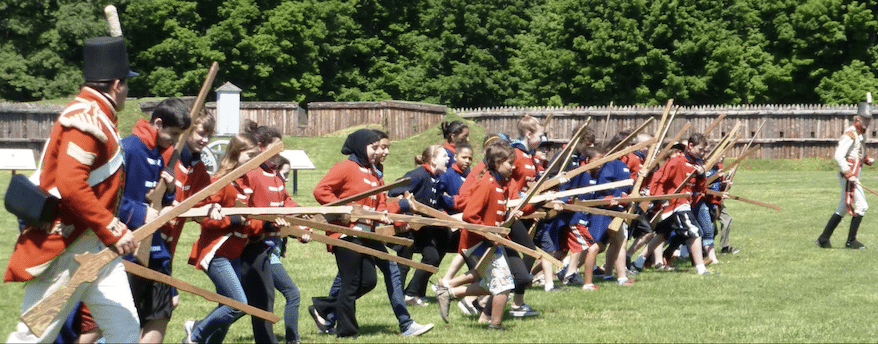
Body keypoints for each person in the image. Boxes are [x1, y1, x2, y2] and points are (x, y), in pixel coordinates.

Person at [6, 36, 140, 343]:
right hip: (68, 245)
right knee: (33, 336)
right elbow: (70, 184)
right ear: (117, 85)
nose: (128, 92)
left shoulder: (100, 116)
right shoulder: (85, 121)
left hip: (96, 247)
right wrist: (113, 229)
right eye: (127, 86)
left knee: (127, 332)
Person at [310, 129, 432, 338]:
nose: (377, 152)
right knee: (350, 283)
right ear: (360, 147)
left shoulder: (374, 172)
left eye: (379, 148)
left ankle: (323, 307)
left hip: (368, 234)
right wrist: (346, 208)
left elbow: (380, 201)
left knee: (368, 281)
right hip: (347, 233)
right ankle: (347, 331)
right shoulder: (346, 167)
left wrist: (384, 214)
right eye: (373, 147)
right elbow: (320, 191)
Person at [184, 132, 285, 344]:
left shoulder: (247, 183)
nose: (253, 161)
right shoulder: (220, 182)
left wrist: (267, 223)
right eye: (249, 156)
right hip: (217, 250)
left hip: (235, 253)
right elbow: (201, 216)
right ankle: (196, 334)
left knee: (226, 305)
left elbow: (249, 219)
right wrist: (232, 220)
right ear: (236, 154)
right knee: (237, 304)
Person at [118, 97, 190, 343]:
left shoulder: (159, 155)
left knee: (161, 313)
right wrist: (140, 214)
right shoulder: (128, 149)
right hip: (126, 250)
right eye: (173, 134)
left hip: (156, 252)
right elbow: (107, 202)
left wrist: (169, 191)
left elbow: (157, 202)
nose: (176, 141)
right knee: (118, 323)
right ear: (157, 124)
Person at [389, 145, 451, 305]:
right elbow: (392, 193)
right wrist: (405, 215)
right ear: (433, 160)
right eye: (444, 156)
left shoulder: (435, 178)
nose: (448, 159)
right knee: (404, 263)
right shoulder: (418, 175)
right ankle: (397, 300)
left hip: (423, 228)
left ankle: (410, 294)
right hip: (407, 227)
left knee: (432, 257)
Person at [642, 134, 711, 275]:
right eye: (700, 149)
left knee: (662, 235)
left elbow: (698, 189)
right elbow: (659, 179)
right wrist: (660, 198)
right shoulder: (676, 161)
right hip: (675, 204)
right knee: (696, 232)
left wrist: (702, 176)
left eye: (704, 150)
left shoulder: (697, 163)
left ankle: (637, 262)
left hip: (685, 203)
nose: (702, 153)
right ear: (690, 146)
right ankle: (701, 269)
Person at [817, 101, 874, 249]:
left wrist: (867, 159)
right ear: (857, 118)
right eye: (864, 118)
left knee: (842, 208)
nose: (867, 121)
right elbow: (839, 155)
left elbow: (857, 153)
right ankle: (851, 241)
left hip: (854, 176)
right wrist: (849, 174)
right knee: (862, 206)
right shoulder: (850, 134)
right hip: (849, 177)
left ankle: (823, 239)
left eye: (869, 119)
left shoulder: (860, 134)